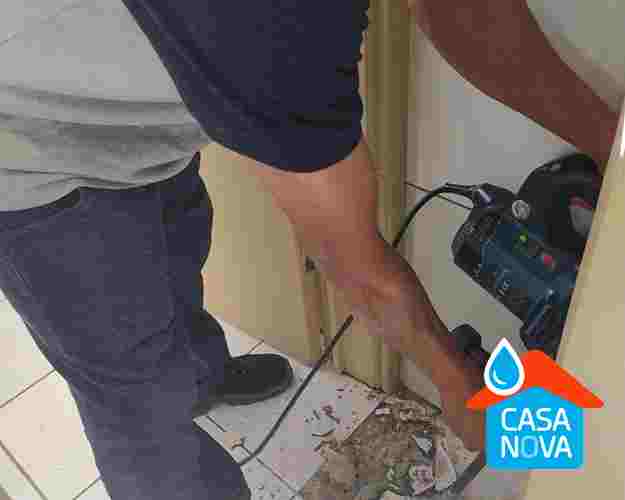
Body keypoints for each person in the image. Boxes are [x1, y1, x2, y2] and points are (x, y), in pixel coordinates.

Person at [0, 1, 620, 498]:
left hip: (129, 117)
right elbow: (356, 269)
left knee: (175, 256)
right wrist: (455, 383)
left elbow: (473, 16)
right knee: (138, 401)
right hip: (30, 162)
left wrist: (608, 143)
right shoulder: (276, 23)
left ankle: (204, 376)